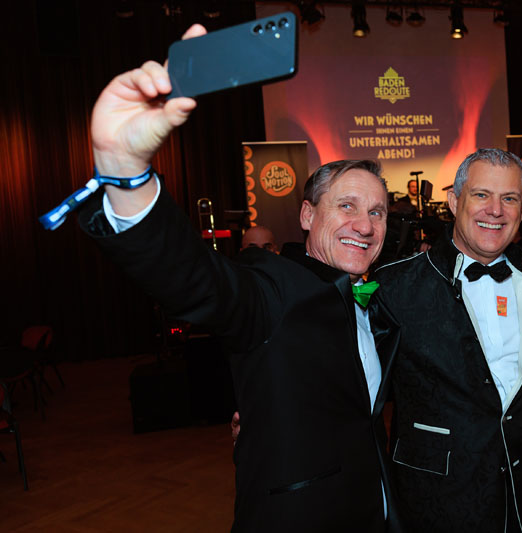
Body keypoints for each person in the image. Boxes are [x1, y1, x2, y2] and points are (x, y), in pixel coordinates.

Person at [76, 24, 401, 532]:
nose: (365, 225)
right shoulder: (271, 286)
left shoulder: (378, 298)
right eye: (347, 206)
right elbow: (197, 281)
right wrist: (125, 172)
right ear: (307, 215)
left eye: (377, 212)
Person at [371, 148, 522, 532]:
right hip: (436, 497)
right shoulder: (395, 286)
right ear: (455, 201)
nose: (495, 210)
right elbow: (356, 385)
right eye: (481, 195)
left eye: (509, 199)